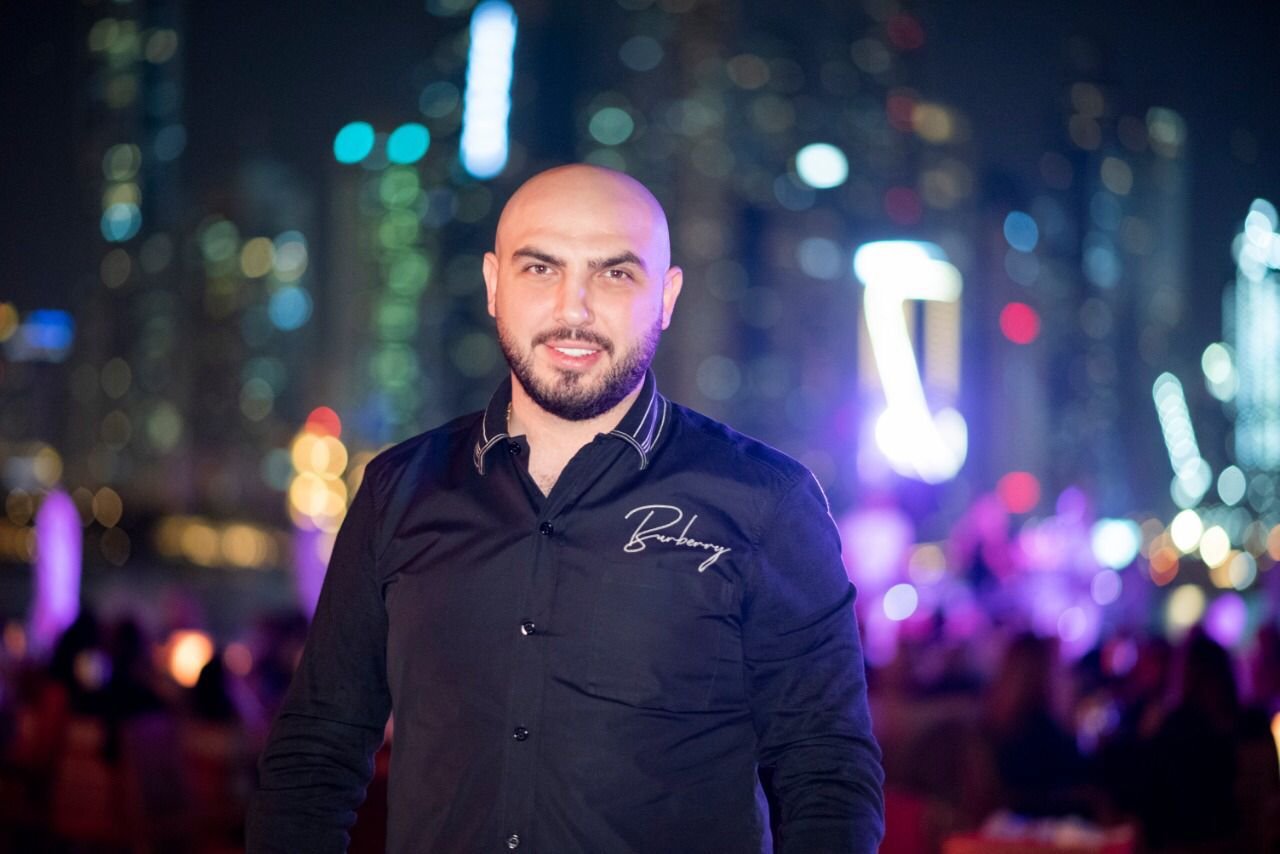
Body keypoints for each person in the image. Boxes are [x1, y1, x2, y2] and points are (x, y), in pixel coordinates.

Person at [247, 164, 884, 853]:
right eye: (540, 268)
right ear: (494, 284)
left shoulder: (767, 502)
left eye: (615, 273)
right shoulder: (396, 491)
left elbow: (828, 775)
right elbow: (316, 755)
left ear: (666, 297)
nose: (573, 308)